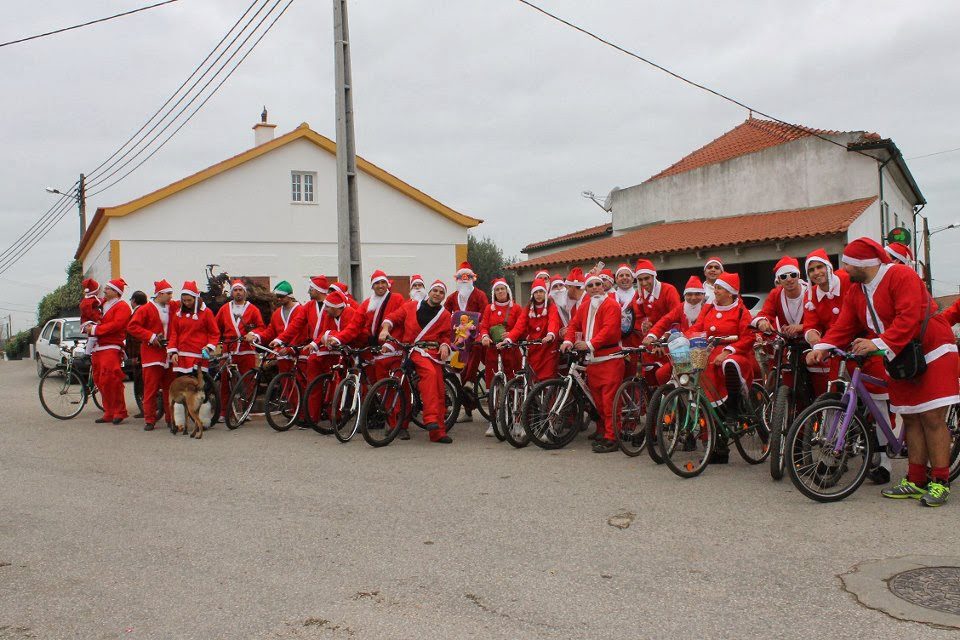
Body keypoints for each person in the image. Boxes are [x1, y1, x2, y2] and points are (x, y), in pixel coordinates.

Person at [807, 237, 959, 507]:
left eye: (847, 263)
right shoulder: (857, 290)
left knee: (931, 417)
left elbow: (908, 317)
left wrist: (877, 343)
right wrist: (822, 346)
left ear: (862, 263)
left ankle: (940, 481)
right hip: (900, 354)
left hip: (932, 349)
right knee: (910, 417)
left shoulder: (900, 275)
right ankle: (915, 479)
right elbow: (844, 324)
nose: (844, 269)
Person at [379, 279, 454, 443]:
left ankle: (437, 433)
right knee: (430, 374)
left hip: (434, 354)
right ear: (430, 292)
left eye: (441, 292)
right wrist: (385, 329)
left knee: (439, 388)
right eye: (435, 291)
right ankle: (431, 418)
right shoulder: (410, 306)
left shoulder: (445, 315)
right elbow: (392, 318)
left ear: (444, 296)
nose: (437, 294)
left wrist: (445, 345)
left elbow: (446, 336)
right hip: (414, 351)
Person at [560, 273, 624, 453]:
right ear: (586, 289)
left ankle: (613, 437)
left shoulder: (612, 305)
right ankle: (603, 431)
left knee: (609, 401)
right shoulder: (584, 306)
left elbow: (609, 330)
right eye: (590, 285)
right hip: (593, 361)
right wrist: (568, 340)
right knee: (598, 401)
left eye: (598, 284)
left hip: (610, 358)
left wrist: (589, 344)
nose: (595, 287)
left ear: (603, 286)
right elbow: (573, 325)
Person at [324, 269, 405, 386]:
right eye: (377, 283)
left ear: (387, 284)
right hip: (375, 350)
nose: (380, 286)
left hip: (394, 349)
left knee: (396, 386)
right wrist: (338, 338)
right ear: (372, 286)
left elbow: (401, 324)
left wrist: (390, 344)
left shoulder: (397, 298)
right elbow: (354, 325)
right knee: (379, 386)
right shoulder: (367, 303)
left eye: (383, 282)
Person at [127, 280, 179, 431]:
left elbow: (189, 302)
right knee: (151, 389)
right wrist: (150, 336)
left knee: (170, 388)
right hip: (152, 354)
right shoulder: (146, 309)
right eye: (169, 293)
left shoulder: (172, 306)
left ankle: (171, 418)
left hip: (169, 352)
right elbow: (132, 326)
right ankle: (149, 419)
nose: (171, 296)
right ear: (160, 294)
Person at [82, 278, 132, 425]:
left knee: (111, 379)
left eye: (108, 289)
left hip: (111, 346)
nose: (104, 290)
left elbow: (116, 325)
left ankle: (119, 411)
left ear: (116, 292)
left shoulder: (123, 307)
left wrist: (95, 329)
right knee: (99, 380)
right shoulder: (101, 303)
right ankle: (109, 411)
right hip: (98, 347)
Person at [444, 261, 489, 422]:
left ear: (472, 278)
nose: (464, 280)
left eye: (467, 277)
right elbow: (444, 314)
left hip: (476, 336)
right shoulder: (452, 297)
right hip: (460, 340)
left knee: (476, 350)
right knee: (461, 372)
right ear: (457, 279)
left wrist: (477, 326)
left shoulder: (480, 295)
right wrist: (451, 323)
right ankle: (468, 411)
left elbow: (486, 314)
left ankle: (471, 381)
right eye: (461, 278)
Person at [643, 275, 707, 385]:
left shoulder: (708, 308)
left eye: (697, 294)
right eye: (689, 294)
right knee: (662, 374)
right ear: (684, 295)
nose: (693, 298)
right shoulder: (681, 308)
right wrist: (651, 335)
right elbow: (665, 320)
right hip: (683, 353)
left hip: (703, 353)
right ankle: (678, 394)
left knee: (698, 380)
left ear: (703, 295)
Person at [478, 277, 521, 436]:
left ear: (507, 290)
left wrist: (511, 334)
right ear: (493, 293)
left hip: (511, 352)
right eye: (497, 289)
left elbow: (521, 326)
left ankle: (517, 422)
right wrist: (484, 336)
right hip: (493, 352)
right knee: (494, 388)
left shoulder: (516, 308)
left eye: (502, 288)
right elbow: (483, 326)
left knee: (515, 387)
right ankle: (494, 421)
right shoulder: (489, 308)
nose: (500, 291)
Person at [245, 280, 303, 386]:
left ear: (290, 296)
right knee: (285, 385)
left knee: (299, 384)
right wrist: (257, 336)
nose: (279, 299)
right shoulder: (277, 313)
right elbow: (270, 331)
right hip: (282, 354)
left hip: (297, 353)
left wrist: (291, 348)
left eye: (281, 296)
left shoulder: (301, 310)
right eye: (277, 296)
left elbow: (303, 333)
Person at [501, 277, 560, 381]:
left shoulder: (551, 306)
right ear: (532, 294)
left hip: (548, 347)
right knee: (533, 378)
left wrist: (550, 335)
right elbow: (519, 326)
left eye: (541, 291)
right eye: (536, 292)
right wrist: (508, 339)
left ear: (545, 293)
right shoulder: (528, 308)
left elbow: (553, 321)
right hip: (534, 348)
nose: (538, 294)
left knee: (547, 378)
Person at [167, 281, 219, 376]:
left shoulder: (206, 312)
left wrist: (209, 347)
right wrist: (173, 352)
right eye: (184, 300)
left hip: (199, 356)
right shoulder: (178, 314)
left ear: (196, 298)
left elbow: (214, 333)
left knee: (197, 383)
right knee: (183, 384)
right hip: (181, 357)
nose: (186, 303)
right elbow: (174, 333)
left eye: (189, 300)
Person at [752, 257, 808, 337]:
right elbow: (765, 313)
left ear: (798, 276)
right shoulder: (775, 294)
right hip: (787, 341)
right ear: (778, 279)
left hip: (812, 341)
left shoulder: (811, 292)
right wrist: (761, 321)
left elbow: (821, 320)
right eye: (783, 276)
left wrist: (801, 327)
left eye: (793, 275)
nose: (789, 279)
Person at [79, 278, 102, 356]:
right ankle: (87, 353)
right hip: (89, 321)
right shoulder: (90, 301)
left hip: (87, 321)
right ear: (95, 291)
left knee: (92, 337)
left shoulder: (88, 300)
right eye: (98, 289)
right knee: (93, 337)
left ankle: (88, 352)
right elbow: (91, 313)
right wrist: (97, 319)